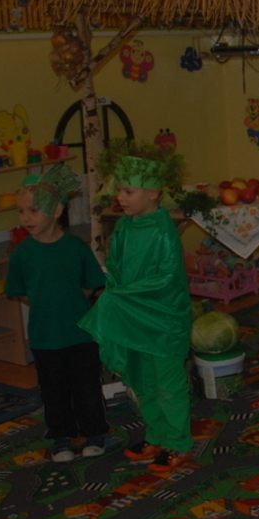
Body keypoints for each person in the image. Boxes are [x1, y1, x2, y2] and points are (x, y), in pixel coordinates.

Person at [79, 151, 193, 474]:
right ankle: (156, 435)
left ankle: (178, 442)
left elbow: (166, 279)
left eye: (128, 191)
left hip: (163, 321)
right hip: (134, 319)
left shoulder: (163, 231)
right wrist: (118, 296)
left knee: (168, 384)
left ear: (153, 192)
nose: (120, 197)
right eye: (119, 190)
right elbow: (116, 267)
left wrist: (119, 297)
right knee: (143, 381)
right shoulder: (125, 227)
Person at [7, 163, 108, 463]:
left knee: (87, 387)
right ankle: (62, 436)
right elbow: (20, 290)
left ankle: (94, 433)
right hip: (44, 337)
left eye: (33, 210)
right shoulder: (22, 253)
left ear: (58, 210)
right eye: (21, 211)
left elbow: (90, 284)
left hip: (80, 334)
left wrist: (71, 301)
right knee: (53, 390)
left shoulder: (76, 247)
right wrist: (45, 302)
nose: (26, 218)